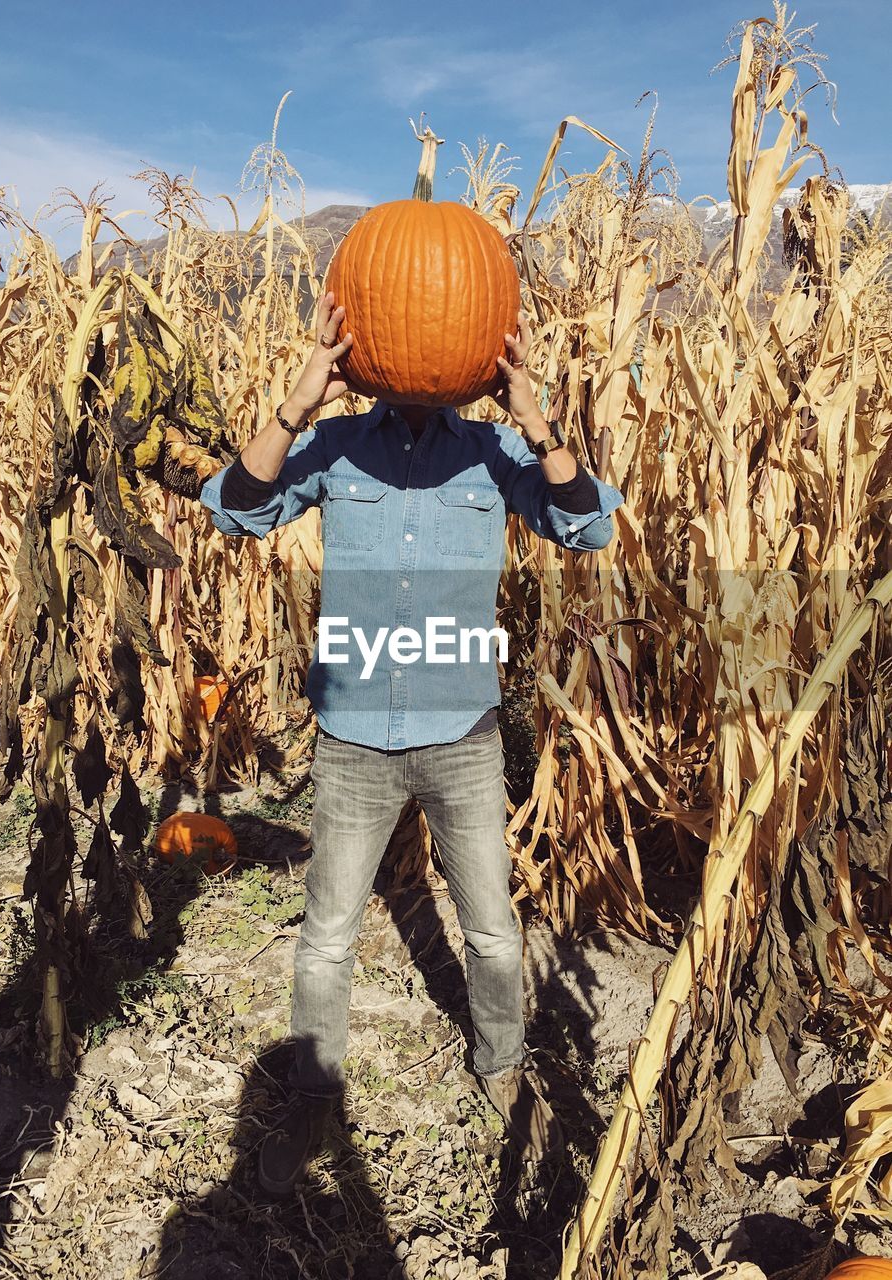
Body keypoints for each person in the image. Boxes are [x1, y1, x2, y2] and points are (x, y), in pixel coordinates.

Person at [200, 291, 624, 1195]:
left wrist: (539, 424)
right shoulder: (335, 444)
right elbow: (235, 510)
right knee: (325, 939)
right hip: (354, 737)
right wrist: (298, 400)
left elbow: (588, 526)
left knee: (493, 934)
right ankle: (315, 1096)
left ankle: (501, 1069)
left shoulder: (494, 452)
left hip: (461, 733)